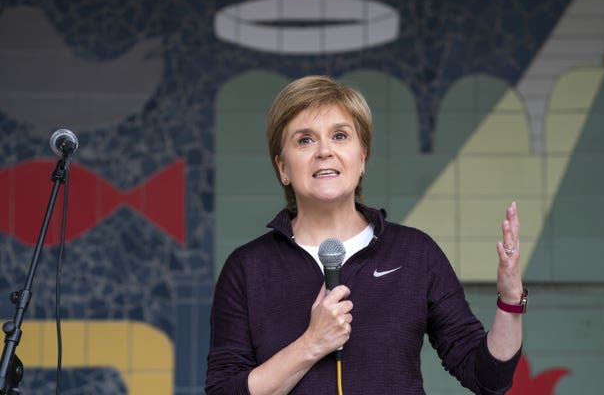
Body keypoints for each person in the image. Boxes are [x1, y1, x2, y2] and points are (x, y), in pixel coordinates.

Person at [205, 75, 524, 394]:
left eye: (340, 136)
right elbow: (223, 390)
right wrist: (311, 344)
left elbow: (489, 378)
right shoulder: (247, 268)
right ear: (283, 168)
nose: (324, 151)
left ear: (363, 158)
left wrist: (510, 302)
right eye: (305, 140)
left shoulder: (414, 252)